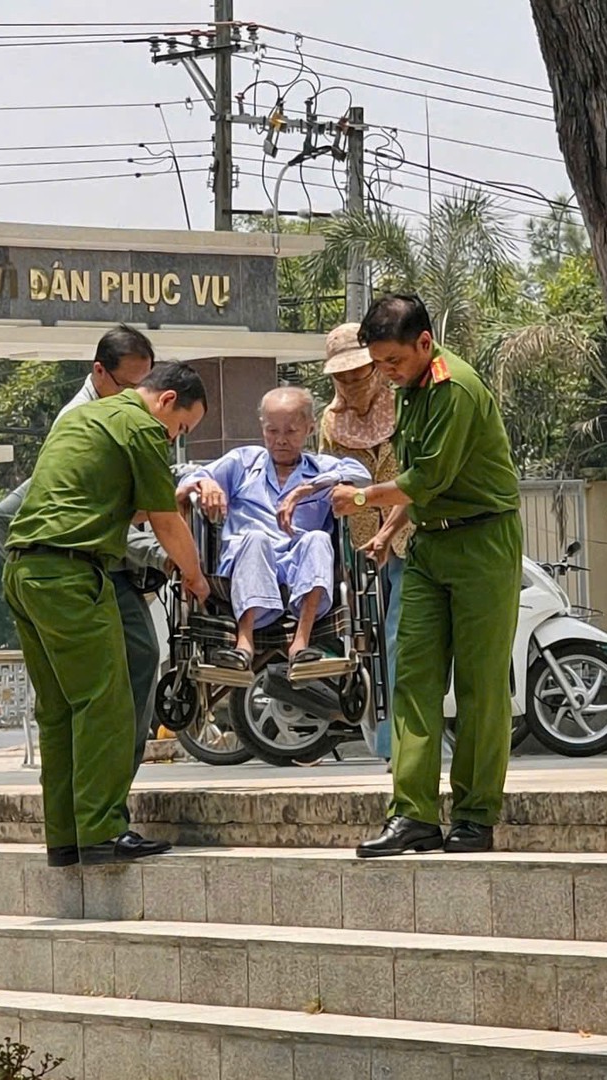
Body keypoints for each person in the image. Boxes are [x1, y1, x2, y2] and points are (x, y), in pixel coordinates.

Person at [332, 294, 522, 856]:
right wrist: (390, 529)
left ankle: (474, 814)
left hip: (483, 540)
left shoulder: (452, 388)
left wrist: (363, 495)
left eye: (392, 362)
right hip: (430, 543)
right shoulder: (410, 389)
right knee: (411, 677)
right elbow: (415, 482)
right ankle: (412, 813)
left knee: (480, 686)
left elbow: (428, 476)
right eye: (378, 364)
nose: (385, 374)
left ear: (424, 342)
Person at [3, 363, 210, 867]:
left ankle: (67, 838)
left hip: (24, 573)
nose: (173, 436)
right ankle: (102, 830)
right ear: (166, 401)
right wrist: (196, 577)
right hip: (71, 576)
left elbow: (104, 503)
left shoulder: (86, 418)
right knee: (107, 703)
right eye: (181, 427)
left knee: (59, 712)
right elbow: (164, 521)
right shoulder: (140, 426)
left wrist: (161, 502)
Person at [0, 323, 168, 780]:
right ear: (99, 373)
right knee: (98, 696)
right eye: (128, 388)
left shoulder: (120, 415)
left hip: (71, 568)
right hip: (72, 571)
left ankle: (91, 815)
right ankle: (102, 810)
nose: (135, 399)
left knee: (133, 663)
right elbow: (19, 516)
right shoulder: (80, 421)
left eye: (142, 388)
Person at [176, 387, 370, 673]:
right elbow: (189, 479)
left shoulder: (321, 469)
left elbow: (362, 476)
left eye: (291, 431)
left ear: (309, 428)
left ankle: (301, 641)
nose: (280, 440)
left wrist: (308, 488)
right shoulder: (243, 461)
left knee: (317, 538)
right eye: (272, 431)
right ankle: (244, 641)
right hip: (243, 570)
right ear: (262, 428)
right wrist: (205, 483)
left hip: (300, 574)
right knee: (255, 538)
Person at [319, 323, 413, 759]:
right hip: (361, 549)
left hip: (407, 537)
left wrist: (389, 529)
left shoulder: (404, 404)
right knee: (368, 642)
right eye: (343, 377)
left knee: (399, 635)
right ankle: (380, 738)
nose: (354, 383)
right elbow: (326, 482)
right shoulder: (330, 420)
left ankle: (400, 741)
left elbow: (417, 479)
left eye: (360, 372)